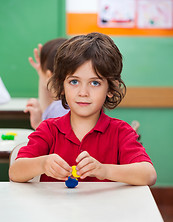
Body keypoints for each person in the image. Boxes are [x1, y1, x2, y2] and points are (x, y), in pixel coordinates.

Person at [9, 32, 157, 186]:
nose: (83, 92)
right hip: (55, 209)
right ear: (61, 86)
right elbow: (15, 172)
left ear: (110, 88)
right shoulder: (49, 129)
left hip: (107, 209)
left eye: (95, 83)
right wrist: (42, 164)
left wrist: (104, 170)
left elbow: (149, 174)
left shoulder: (121, 132)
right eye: (74, 82)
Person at [24, 38, 69, 129]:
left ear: (49, 75)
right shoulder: (63, 105)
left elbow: (54, 141)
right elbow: (47, 107)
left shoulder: (60, 109)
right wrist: (42, 73)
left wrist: (39, 125)